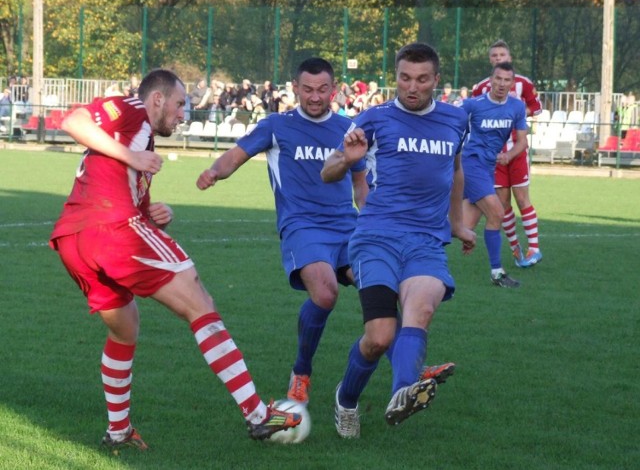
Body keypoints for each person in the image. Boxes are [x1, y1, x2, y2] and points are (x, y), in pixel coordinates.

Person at [49, 68, 300, 451]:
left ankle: (118, 431)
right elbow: (73, 119)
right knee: (199, 301)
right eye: (180, 104)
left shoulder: (141, 143)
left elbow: (123, 184)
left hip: (75, 241)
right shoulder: (131, 109)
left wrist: (152, 212)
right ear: (157, 99)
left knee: (124, 328)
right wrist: (130, 157)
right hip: (111, 228)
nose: (184, 114)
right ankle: (257, 414)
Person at [321, 42, 475, 438]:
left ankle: (403, 392)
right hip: (376, 239)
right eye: (405, 78)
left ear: (436, 80)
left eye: (422, 79)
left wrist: (457, 224)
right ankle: (346, 399)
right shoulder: (374, 118)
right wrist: (347, 160)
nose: (412, 87)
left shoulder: (456, 120)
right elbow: (328, 172)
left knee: (419, 312)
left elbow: (455, 173)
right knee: (379, 337)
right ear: (396, 76)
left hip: (426, 241)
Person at [196, 58, 369, 407]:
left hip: (347, 226)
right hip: (302, 225)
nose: (315, 96)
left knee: (380, 292)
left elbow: (360, 183)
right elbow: (236, 155)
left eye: (323, 89)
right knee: (325, 292)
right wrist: (214, 171)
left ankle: (402, 380)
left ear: (333, 90)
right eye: (308, 89)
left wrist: (371, 220)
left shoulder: (348, 128)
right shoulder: (276, 125)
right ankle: (301, 371)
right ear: (295, 88)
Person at [472, 39, 543, 268]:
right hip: (493, 156)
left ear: (509, 58)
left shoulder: (523, 83)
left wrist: (518, 114)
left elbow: (537, 108)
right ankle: (515, 248)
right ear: (490, 60)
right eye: (494, 55)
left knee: (522, 198)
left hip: (517, 150)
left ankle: (534, 247)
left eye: (502, 54)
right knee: (502, 204)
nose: (498, 58)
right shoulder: (480, 88)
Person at [462, 62, 528, 288]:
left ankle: (416, 252)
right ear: (490, 80)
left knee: (462, 227)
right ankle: (497, 272)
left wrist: (508, 155)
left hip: (488, 168)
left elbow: (522, 141)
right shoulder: (473, 105)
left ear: (512, 83)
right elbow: (450, 125)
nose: (501, 84)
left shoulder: (516, 107)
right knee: (497, 213)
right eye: (498, 78)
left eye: (506, 80)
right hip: (471, 164)